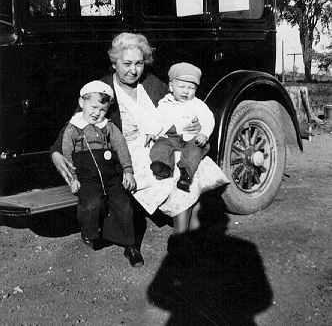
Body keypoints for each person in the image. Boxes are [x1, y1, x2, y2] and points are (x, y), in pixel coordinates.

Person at [51, 32, 229, 262]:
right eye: (126, 64)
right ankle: (184, 235)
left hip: (161, 142)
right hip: (128, 153)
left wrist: (193, 122)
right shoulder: (103, 88)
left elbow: (181, 104)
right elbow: (76, 122)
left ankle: (186, 232)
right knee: (168, 173)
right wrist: (56, 151)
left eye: (139, 63)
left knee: (195, 167)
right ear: (114, 62)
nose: (133, 70)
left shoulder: (151, 84)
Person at [61, 80, 142, 267]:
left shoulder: (109, 127)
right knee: (91, 203)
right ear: (82, 103)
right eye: (94, 106)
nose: (97, 113)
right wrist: (73, 179)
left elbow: (121, 148)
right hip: (86, 177)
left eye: (103, 109)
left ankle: (131, 245)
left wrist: (128, 171)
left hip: (111, 175)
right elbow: (67, 154)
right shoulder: (73, 128)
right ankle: (89, 233)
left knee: (123, 205)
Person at [149, 62, 215, 193]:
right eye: (182, 87)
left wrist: (204, 134)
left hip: (191, 139)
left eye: (191, 88)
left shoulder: (197, 104)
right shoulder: (164, 103)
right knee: (159, 147)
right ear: (171, 87)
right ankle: (163, 167)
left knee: (194, 151)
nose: (186, 91)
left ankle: (186, 174)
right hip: (170, 137)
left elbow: (209, 119)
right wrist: (151, 132)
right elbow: (157, 120)